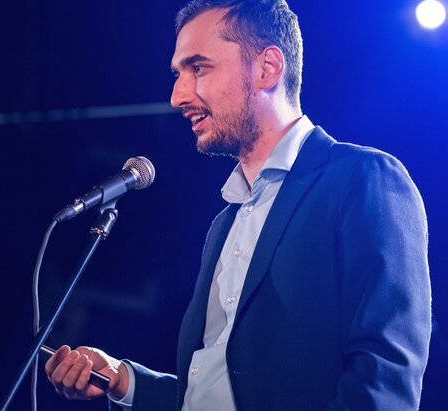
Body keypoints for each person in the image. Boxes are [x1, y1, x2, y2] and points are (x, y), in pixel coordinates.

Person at [44, 0, 432, 410]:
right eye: (177, 74)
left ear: (267, 68)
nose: (177, 96)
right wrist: (123, 381)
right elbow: (215, 394)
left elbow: (384, 375)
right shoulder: (223, 225)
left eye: (198, 68)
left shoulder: (362, 178)